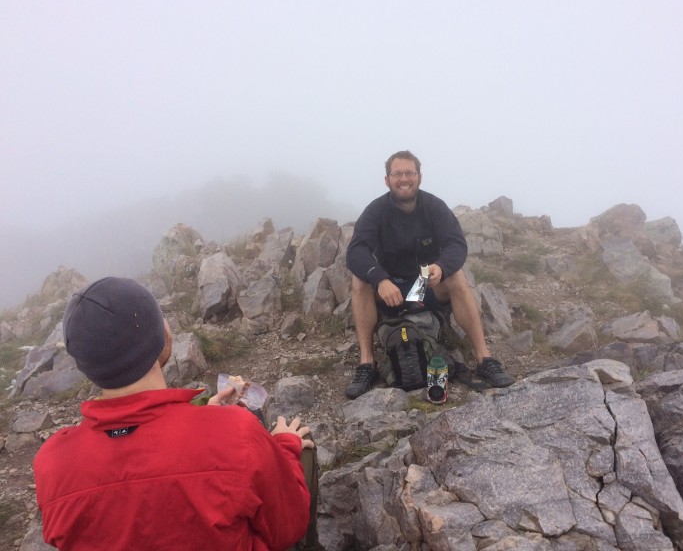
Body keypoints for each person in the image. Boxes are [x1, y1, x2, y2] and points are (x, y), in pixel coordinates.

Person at [33, 276, 318, 551]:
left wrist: (201, 420)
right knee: (298, 443)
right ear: (163, 336)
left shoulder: (51, 463)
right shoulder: (236, 433)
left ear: (84, 365)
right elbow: (286, 528)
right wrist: (283, 447)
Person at [345, 150, 515, 399]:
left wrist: (442, 266)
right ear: (387, 180)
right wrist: (379, 279)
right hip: (389, 288)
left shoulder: (434, 207)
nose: (404, 178)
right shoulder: (376, 211)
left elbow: (456, 244)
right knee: (360, 280)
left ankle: (484, 358)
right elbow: (356, 250)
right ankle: (367, 364)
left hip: (425, 284)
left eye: (409, 173)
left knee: (456, 276)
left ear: (419, 177)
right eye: (397, 174)